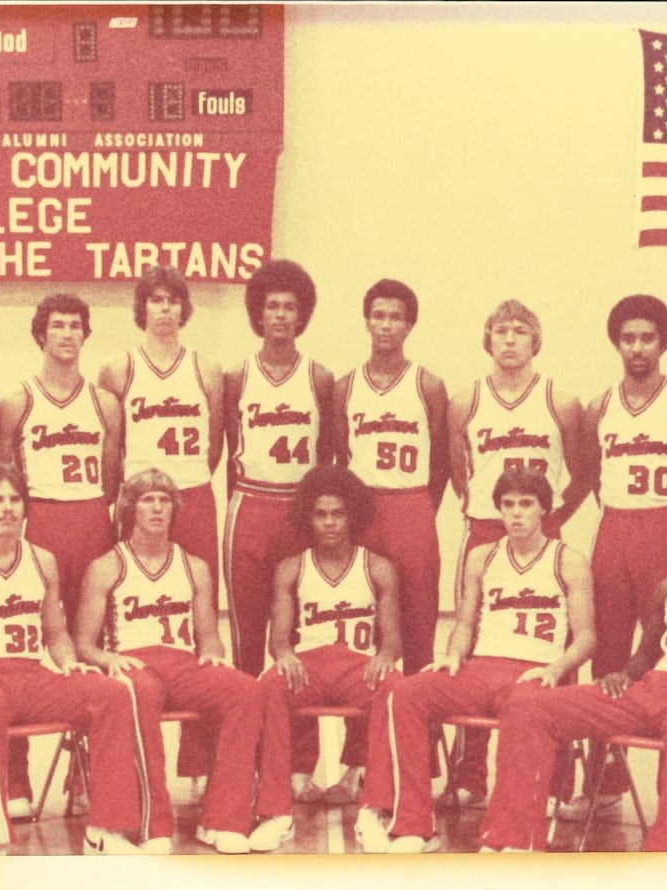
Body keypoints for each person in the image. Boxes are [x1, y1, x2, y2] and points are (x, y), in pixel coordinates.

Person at [483, 486, 667, 853]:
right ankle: (515, 840)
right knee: (529, 703)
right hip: (654, 690)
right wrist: (624, 675)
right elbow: (644, 658)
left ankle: (666, 852)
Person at [0, 462, 149, 855]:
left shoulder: (42, 560)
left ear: (26, 506)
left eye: (15, 499)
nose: (7, 508)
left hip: (31, 675)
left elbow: (55, 635)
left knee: (113, 692)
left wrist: (70, 662)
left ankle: (106, 830)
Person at [355, 467, 595, 853]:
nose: (516, 514)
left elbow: (586, 638)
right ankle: (413, 825)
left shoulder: (568, 560)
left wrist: (555, 669)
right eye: (508, 505)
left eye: (526, 505)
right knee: (403, 693)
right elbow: (465, 622)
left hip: (532, 674)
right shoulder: (482, 557)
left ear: (544, 510)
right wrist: (452, 655)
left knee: (525, 708)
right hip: (482, 668)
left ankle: (509, 836)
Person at [559, 293, 667, 822]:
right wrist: (551, 523)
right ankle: (604, 779)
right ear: (616, 343)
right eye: (628, 339)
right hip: (615, 529)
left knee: (666, 657)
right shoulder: (598, 407)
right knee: (606, 655)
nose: (637, 348)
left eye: (647, 338)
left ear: (663, 343)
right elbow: (585, 477)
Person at [442, 299, 591, 806]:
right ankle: (468, 776)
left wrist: (551, 522)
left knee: (557, 644)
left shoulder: (560, 401)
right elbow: (457, 469)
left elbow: (583, 472)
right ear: (488, 340)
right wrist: (486, 511)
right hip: (485, 528)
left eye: (520, 331)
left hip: (540, 527)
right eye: (500, 331)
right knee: (477, 647)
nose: (509, 339)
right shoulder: (465, 400)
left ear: (536, 340)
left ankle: (556, 780)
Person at [73, 469, 267, 854]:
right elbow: (82, 644)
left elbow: (209, 636)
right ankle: (154, 824)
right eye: (148, 500)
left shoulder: (194, 566)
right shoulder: (107, 566)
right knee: (138, 693)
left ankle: (222, 820)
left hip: (181, 664)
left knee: (246, 690)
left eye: (164, 500)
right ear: (130, 508)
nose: (157, 508)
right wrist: (109, 659)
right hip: (134, 663)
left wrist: (213, 656)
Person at [98, 265, 226, 791]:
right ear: (142, 308)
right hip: (138, 493)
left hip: (192, 493)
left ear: (185, 309)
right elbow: (112, 446)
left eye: (174, 300)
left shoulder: (208, 369)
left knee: (198, 622)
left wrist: (185, 485)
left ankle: (197, 762)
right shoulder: (118, 369)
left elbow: (215, 441)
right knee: (125, 617)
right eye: (155, 300)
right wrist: (127, 498)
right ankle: (111, 758)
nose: (166, 309)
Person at [329, 278, 449, 801]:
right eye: (377, 314)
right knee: (365, 639)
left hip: (412, 505)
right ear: (366, 320)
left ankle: (419, 766)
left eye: (395, 316)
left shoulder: (428, 384)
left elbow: (443, 460)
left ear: (409, 324)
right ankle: (358, 759)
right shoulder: (345, 385)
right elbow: (337, 453)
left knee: (419, 639)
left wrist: (421, 508)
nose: (385, 324)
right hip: (365, 510)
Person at [253, 467, 404, 850]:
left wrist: (385, 657)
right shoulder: (292, 567)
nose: (330, 523)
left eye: (337, 514)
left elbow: (392, 642)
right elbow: (279, 639)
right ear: (309, 518)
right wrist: (284, 655)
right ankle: (276, 810)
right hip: (311, 667)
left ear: (352, 515)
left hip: (358, 666)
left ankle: (374, 807)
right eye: (321, 514)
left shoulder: (378, 567)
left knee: (396, 687)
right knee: (269, 684)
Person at [221, 259, 338, 677]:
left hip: (297, 507)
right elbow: (230, 450)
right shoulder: (236, 376)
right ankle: (248, 733)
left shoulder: (320, 378)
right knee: (246, 631)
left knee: (299, 631)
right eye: (272, 306)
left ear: (302, 314)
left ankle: (296, 741)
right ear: (258, 312)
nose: (281, 315)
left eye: (290, 307)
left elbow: (327, 454)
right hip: (251, 505)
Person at [0, 294, 121, 609]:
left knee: (95, 618)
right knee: (40, 614)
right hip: (42, 517)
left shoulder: (105, 403)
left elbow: (111, 483)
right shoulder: (17, 402)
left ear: (85, 335)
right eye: (58, 326)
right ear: (41, 335)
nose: (67, 334)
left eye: (75, 326)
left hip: (92, 517)